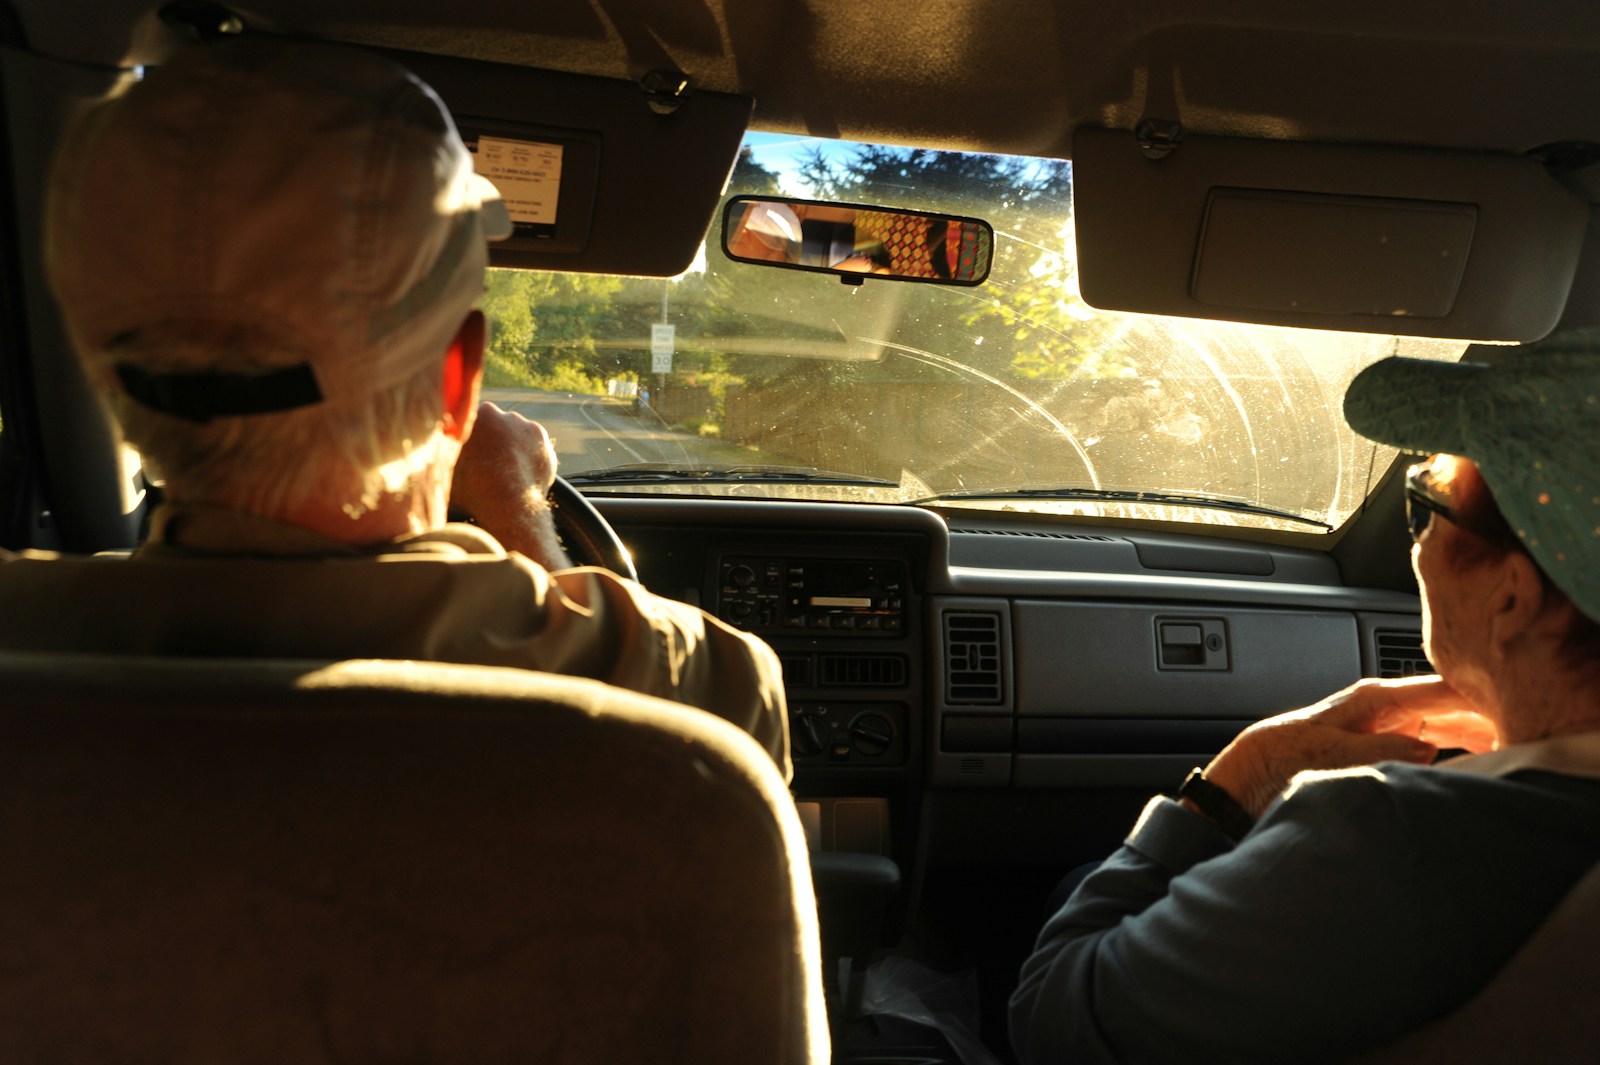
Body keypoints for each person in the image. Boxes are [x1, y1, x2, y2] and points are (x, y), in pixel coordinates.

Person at [1, 38, 789, 778]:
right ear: (460, 381)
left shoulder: (26, 651)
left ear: (97, 364)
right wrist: (518, 514)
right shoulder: (707, 692)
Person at [1008, 334, 1600, 1063]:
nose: (1415, 547)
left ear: (1510, 598)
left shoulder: (1384, 834)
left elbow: (1053, 1015)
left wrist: (1242, 774)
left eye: (1424, 508)